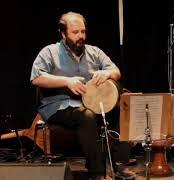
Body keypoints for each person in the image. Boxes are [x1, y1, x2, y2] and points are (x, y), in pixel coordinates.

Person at [30, 12, 134, 180]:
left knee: (121, 104)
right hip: (59, 106)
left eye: (83, 32)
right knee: (86, 115)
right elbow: (37, 78)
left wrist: (106, 73)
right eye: (75, 32)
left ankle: (119, 163)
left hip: (91, 102)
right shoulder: (49, 52)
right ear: (63, 34)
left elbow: (116, 72)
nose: (81, 36)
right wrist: (66, 81)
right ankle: (97, 172)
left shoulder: (94, 52)